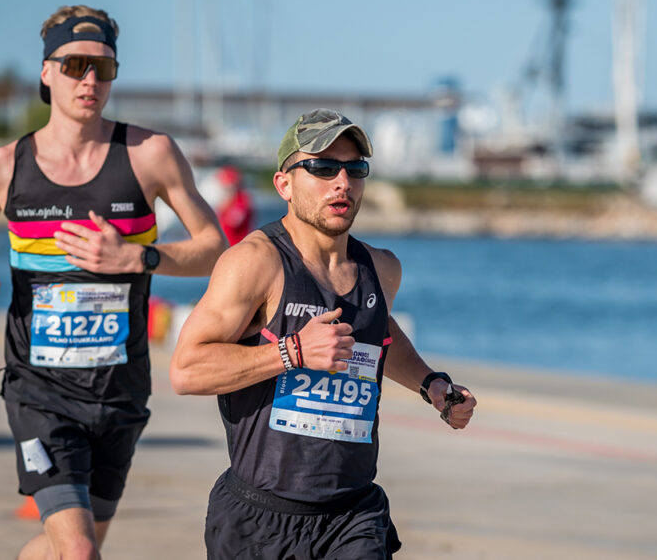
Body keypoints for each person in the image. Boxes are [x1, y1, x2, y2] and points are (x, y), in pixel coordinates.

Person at [0, 5, 228, 560]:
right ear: (46, 72)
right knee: (79, 552)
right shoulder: (2, 166)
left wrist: (135, 257)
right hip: (40, 391)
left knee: (75, 548)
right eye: (75, 65)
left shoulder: (149, 155)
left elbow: (214, 248)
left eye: (104, 68)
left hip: (119, 389)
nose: (90, 80)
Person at [169, 108, 477, 559]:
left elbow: (378, 334)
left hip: (353, 516)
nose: (342, 182)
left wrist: (430, 383)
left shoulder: (382, 268)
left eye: (355, 169)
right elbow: (186, 370)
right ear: (284, 184)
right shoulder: (256, 263)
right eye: (323, 167)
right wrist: (292, 351)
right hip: (261, 519)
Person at [214, 165, 255, 245]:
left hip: (237, 246)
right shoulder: (229, 201)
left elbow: (232, 222)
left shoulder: (242, 201)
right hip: (227, 246)